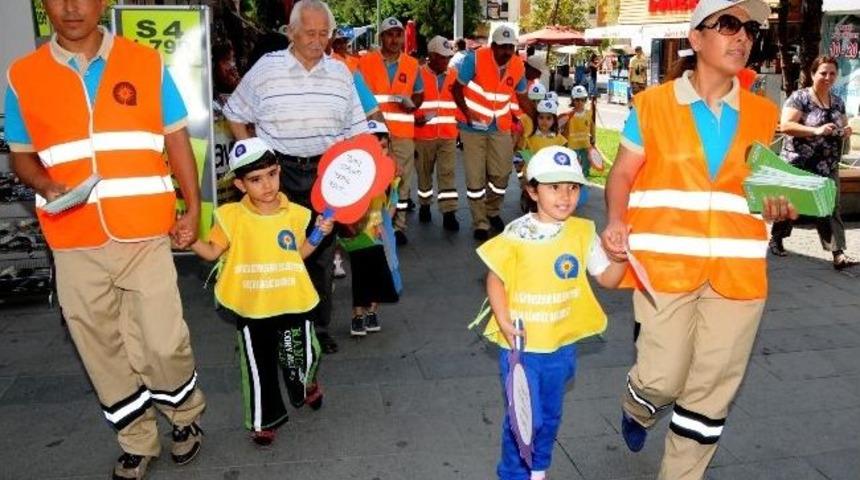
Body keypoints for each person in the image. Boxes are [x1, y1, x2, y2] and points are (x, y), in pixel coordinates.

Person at [4, 1, 206, 478]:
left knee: (161, 341)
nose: (72, 8)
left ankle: (184, 417)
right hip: (71, 238)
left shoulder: (144, 61)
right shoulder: (23, 74)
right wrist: (45, 184)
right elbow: (21, 155)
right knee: (99, 346)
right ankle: (136, 438)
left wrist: (192, 207)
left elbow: (176, 138)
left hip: (145, 231)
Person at [600, 1, 798, 478]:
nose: (742, 37)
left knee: (712, 390)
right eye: (728, 25)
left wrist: (780, 203)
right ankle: (639, 405)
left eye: (749, 29)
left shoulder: (762, 112)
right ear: (695, 38)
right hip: (665, 267)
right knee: (662, 377)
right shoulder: (651, 106)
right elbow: (622, 175)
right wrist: (614, 219)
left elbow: (762, 185)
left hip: (739, 275)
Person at [225, 0, 370, 355]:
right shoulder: (266, 69)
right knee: (276, 252)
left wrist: (359, 184)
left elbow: (358, 130)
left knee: (320, 254)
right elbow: (234, 112)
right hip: (279, 174)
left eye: (325, 33)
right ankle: (273, 325)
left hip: (326, 174)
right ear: (291, 32)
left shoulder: (340, 73)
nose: (317, 40)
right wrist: (256, 162)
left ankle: (316, 328)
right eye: (309, 33)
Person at [477, 146, 627, 480]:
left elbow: (607, 279)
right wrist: (502, 320)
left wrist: (621, 258)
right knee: (524, 418)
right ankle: (513, 473)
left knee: (550, 414)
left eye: (572, 187)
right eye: (553, 186)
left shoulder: (582, 232)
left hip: (560, 345)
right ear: (532, 190)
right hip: (521, 346)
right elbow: (495, 278)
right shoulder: (516, 232)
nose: (565, 196)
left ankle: (538, 469)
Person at [186, 138, 333, 445]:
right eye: (255, 179)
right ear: (240, 184)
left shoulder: (295, 213)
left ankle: (305, 384)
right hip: (252, 306)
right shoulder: (230, 217)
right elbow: (213, 252)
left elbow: (299, 254)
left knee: (300, 358)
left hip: (292, 301)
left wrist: (319, 233)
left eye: (272, 174)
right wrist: (190, 241)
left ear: (279, 171)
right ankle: (264, 420)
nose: (267, 185)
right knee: (257, 364)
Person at [769, 55, 857, 269]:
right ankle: (777, 238)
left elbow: (843, 126)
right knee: (791, 204)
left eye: (832, 73)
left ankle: (838, 253)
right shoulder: (800, 98)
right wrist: (815, 130)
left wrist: (845, 132)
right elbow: (786, 125)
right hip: (799, 162)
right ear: (813, 74)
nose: (828, 77)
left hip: (827, 164)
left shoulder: (837, 101)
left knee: (830, 205)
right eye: (823, 73)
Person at [451, 25, 535, 241]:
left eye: (511, 47)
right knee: (475, 176)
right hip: (472, 128)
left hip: (500, 127)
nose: (506, 52)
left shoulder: (517, 65)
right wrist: (467, 114)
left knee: (501, 173)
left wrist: (538, 118)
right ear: (493, 46)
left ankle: (492, 209)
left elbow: (523, 98)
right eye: (502, 47)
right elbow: (457, 88)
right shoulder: (475, 59)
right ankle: (480, 221)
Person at [358, 17, 425, 246]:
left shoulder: (412, 64)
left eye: (398, 34)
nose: (395, 39)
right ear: (381, 37)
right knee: (374, 178)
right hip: (373, 132)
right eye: (390, 34)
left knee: (402, 179)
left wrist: (412, 103)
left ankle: (398, 226)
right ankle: (372, 223)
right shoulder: (365, 62)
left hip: (403, 131)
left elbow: (419, 94)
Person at [340, 121, 403, 336]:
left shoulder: (391, 174)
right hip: (358, 233)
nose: (380, 152)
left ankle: (372, 312)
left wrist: (386, 222)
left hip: (379, 232)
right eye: (374, 147)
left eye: (384, 147)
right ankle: (357, 314)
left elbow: (393, 200)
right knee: (360, 274)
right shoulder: (355, 173)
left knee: (378, 272)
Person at [414, 36, 460, 231]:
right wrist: (416, 115)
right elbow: (409, 100)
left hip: (448, 134)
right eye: (442, 57)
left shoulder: (454, 75)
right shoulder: (417, 74)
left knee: (447, 173)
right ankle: (424, 204)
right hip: (423, 134)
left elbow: (459, 101)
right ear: (431, 56)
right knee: (424, 173)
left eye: (448, 57)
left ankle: (449, 213)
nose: (446, 61)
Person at [562, 85, 594, 206]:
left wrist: (593, 138)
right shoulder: (568, 115)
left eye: (582, 99)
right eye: (577, 99)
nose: (580, 102)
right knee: (573, 169)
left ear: (585, 100)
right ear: (572, 100)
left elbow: (591, 126)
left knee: (585, 167)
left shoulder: (589, 113)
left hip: (585, 146)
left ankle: (582, 187)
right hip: (572, 147)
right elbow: (563, 130)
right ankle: (571, 190)